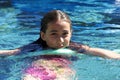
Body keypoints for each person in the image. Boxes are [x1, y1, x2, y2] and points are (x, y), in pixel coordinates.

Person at [0, 10, 120, 59]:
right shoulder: (34, 48)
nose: (60, 40)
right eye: (54, 34)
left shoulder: (75, 48)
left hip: (63, 68)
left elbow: (97, 52)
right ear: (43, 35)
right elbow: (10, 52)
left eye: (65, 34)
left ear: (71, 34)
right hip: (38, 68)